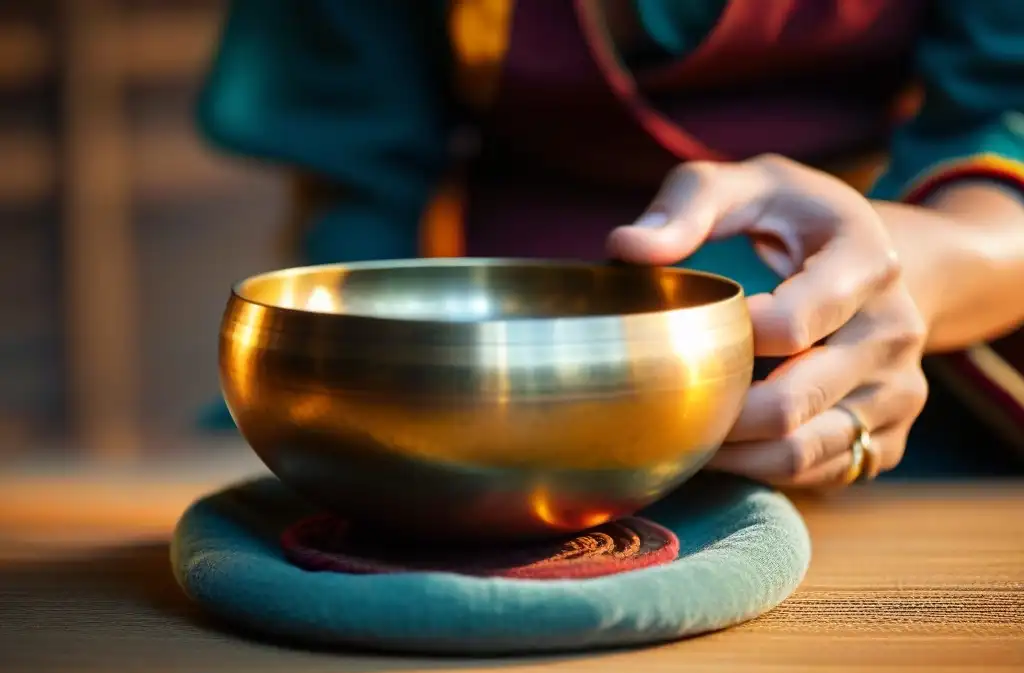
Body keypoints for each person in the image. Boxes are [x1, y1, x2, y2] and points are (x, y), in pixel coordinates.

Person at [196, 0, 1024, 485]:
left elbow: (1003, 124)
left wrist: (892, 269)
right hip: (475, 407)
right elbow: (358, 186)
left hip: (871, 401)